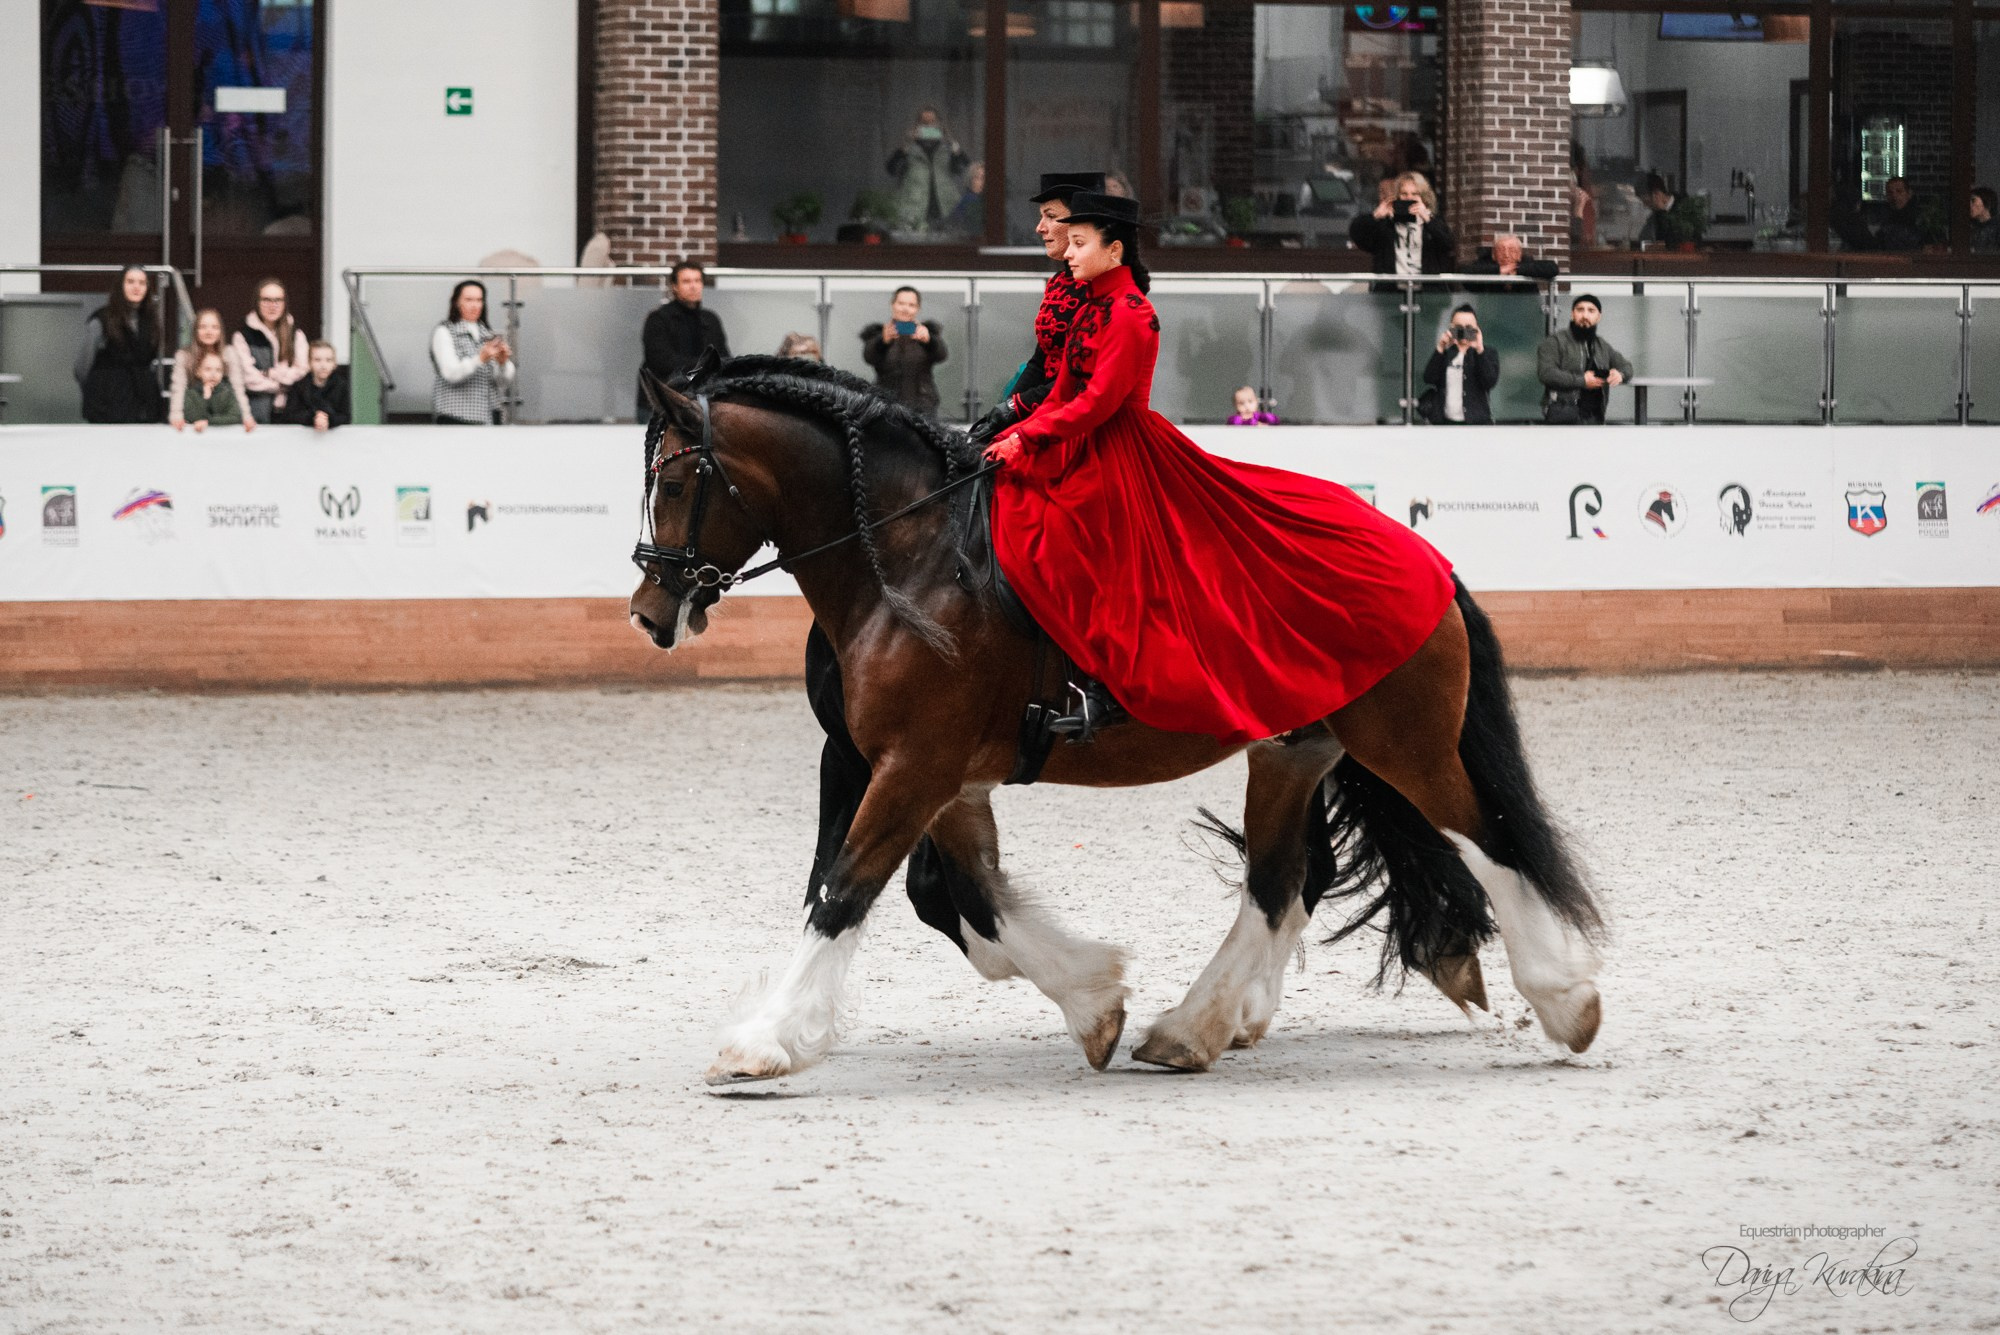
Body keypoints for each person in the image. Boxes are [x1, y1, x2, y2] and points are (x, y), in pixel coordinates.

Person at [979, 189, 1456, 745]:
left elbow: (1099, 401)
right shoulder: (1088, 305)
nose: (1068, 254)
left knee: (1088, 547)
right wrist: (1014, 432)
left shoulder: (1135, 315)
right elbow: (1063, 387)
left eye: (1079, 244)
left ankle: (1103, 684)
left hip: (1120, 447)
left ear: (1114, 252)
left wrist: (1030, 437)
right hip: (1078, 441)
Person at [969, 170, 1103, 441]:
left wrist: (1016, 406)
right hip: (1044, 405)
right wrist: (1005, 409)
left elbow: (1082, 378)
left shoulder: (1099, 289)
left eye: (1051, 217)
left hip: (1077, 420)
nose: (1040, 227)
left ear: (1079, 223)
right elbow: (1041, 359)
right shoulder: (1058, 281)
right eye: (1042, 217)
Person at [637, 262, 730, 419]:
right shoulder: (658, 319)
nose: (693, 286)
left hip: (703, 403)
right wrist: (706, 366)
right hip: (663, 404)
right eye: (686, 281)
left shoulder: (710, 319)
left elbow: (724, 357)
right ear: (674, 286)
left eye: (697, 280)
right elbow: (661, 362)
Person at [73, 265, 163, 423]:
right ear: (120, 285)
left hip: (145, 405)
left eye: (142, 283)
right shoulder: (102, 319)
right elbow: (81, 368)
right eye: (130, 281)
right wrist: (96, 394)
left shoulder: (152, 320)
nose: (136, 287)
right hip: (108, 404)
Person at [1536, 294, 1632, 425]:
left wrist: (1620, 374)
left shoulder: (1601, 345)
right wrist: (1582, 381)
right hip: (1562, 416)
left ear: (1598, 317)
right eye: (1580, 310)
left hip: (1595, 417)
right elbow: (1546, 373)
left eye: (1591, 311)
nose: (1585, 315)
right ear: (1572, 314)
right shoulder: (1555, 341)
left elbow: (1626, 366)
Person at [430, 279, 515, 425]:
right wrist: (480, 359)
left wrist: (502, 363)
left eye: (479, 300)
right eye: (469, 300)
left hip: (489, 417)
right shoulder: (445, 332)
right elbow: (451, 373)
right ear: (457, 302)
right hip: (456, 418)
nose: (475, 305)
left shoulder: (488, 335)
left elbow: (502, 382)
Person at [860, 286, 947, 417]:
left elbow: (942, 355)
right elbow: (869, 357)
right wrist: (882, 341)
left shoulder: (927, 333)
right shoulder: (878, 333)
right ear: (892, 305)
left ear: (918, 308)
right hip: (885, 406)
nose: (905, 308)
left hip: (922, 406)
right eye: (901, 303)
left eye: (911, 305)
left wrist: (929, 341)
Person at [231, 277, 309, 423]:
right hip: (257, 410)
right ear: (257, 303)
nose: (272, 306)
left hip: (292, 410)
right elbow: (248, 377)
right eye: (266, 300)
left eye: (278, 300)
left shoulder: (296, 334)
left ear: (285, 303)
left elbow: (302, 370)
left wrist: (270, 374)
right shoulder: (243, 336)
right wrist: (281, 384)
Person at [1348, 171, 1455, 276]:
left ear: (1423, 197)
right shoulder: (1387, 224)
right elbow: (1357, 235)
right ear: (1397, 196)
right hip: (1392, 290)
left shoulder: (1432, 222)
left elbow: (1448, 244)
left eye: (1415, 194)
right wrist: (1375, 216)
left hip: (1427, 288)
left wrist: (1428, 219)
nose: (1409, 198)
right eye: (1404, 194)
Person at [169, 308, 254, 434]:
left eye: (214, 327)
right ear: (195, 330)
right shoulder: (184, 356)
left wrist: (246, 416)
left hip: (223, 416)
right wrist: (176, 416)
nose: (209, 332)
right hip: (194, 413)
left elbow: (238, 388)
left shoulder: (229, 353)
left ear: (220, 331)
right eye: (203, 327)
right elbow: (178, 388)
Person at [885, 106, 970, 232]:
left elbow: (965, 168)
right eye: (924, 123)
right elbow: (891, 169)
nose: (928, 126)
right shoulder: (909, 149)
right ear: (917, 125)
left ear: (939, 124)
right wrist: (906, 145)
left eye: (932, 122)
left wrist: (951, 141)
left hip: (945, 209)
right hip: (914, 210)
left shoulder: (948, 148)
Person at [1421, 305, 1500, 425]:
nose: (1463, 331)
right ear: (1451, 328)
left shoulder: (1487, 353)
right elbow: (1429, 378)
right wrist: (1440, 348)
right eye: (1458, 328)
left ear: (1477, 329)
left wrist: (1479, 350)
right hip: (1446, 423)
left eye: (1469, 328)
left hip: (1476, 423)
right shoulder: (1446, 353)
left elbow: (1489, 381)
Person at [284, 341, 351, 431]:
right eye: (317, 360)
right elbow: (290, 416)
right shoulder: (299, 387)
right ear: (309, 362)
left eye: (328, 360)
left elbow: (346, 416)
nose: (323, 365)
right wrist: (314, 417)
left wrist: (328, 419)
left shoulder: (341, 386)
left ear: (334, 364)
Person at [1466, 234, 1559, 290]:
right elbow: (1465, 270)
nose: (1506, 254)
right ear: (1493, 255)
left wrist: (1517, 270)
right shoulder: (1486, 263)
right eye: (1501, 250)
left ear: (1519, 254)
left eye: (1511, 250)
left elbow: (1552, 268)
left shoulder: (1527, 263)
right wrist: (1499, 270)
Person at [180, 350, 243, 430]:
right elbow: (193, 417)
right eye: (208, 369)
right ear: (198, 372)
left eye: (218, 370)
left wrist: (209, 422)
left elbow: (235, 417)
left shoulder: (228, 393)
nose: (213, 374)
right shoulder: (190, 394)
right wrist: (205, 399)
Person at [1638, 174, 1705, 249]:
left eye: (1647, 201)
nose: (1646, 206)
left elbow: (1693, 239)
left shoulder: (1686, 206)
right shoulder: (1656, 215)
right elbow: (1644, 237)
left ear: (1656, 194)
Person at [1873, 177, 1925, 252]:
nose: (1894, 196)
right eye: (1890, 193)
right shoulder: (1885, 219)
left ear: (1909, 194)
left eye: (1899, 191)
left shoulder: (1920, 219)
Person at [944, 161, 985, 238]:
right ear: (971, 180)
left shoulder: (975, 199)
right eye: (978, 178)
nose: (982, 182)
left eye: (984, 178)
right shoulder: (971, 200)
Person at [1974, 187, 2000, 254]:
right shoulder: (1971, 228)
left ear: (1987, 202)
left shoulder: (1997, 227)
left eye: (1973, 200)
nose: (1969, 205)